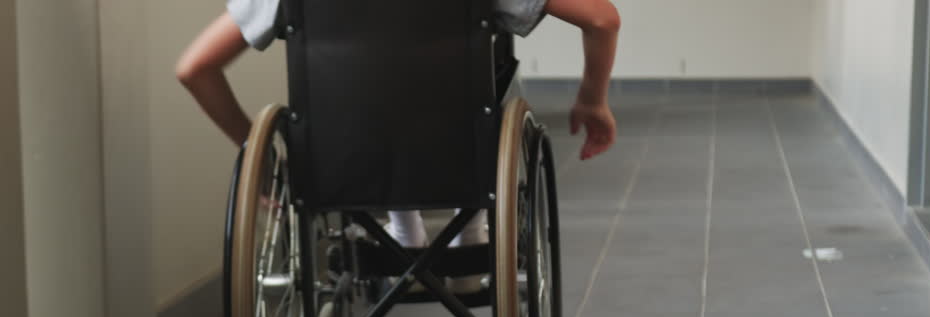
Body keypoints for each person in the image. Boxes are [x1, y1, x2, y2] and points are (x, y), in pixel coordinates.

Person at [176, 0, 620, 250]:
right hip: (459, 149)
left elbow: (194, 69)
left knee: (374, 89)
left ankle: (403, 226)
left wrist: (263, 158)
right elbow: (603, 18)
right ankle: (473, 229)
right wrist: (592, 101)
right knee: (495, 71)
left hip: (344, 158)